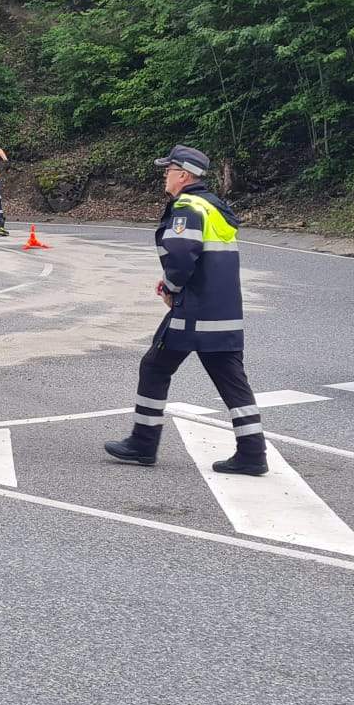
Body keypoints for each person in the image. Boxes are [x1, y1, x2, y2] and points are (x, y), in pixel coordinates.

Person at [104, 145, 265, 475]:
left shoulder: (187, 208)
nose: (165, 175)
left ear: (184, 175)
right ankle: (253, 452)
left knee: (154, 367)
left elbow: (181, 258)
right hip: (223, 312)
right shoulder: (213, 208)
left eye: (168, 170)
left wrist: (169, 288)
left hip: (193, 313)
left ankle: (143, 444)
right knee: (232, 381)